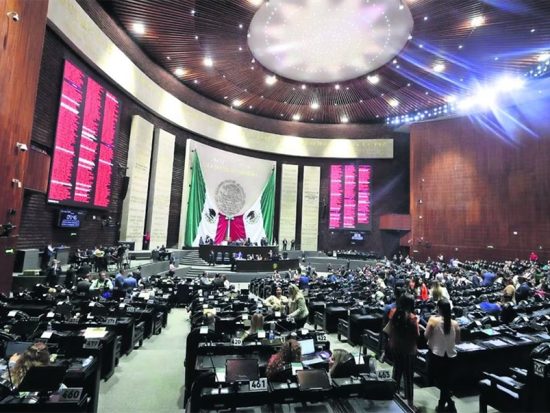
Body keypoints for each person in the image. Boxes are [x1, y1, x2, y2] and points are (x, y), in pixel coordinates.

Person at [383, 293, 419, 409]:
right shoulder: (413, 318)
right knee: (408, 377)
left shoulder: (394, 314)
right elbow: (416, 334)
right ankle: (410, 403)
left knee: (396, 374)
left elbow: (387, 330)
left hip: (395, 348)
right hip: (408, 350)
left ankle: (393, 399)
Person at [425, 299, 460, 413]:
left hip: (436, 355)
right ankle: (446, 405)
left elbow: (426, 335)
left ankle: (446, 404)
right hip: (451, 356)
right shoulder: (455, 323)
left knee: (441, 382)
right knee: (445, 382)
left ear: (438, 308)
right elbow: (458, 341)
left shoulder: (433, 320)